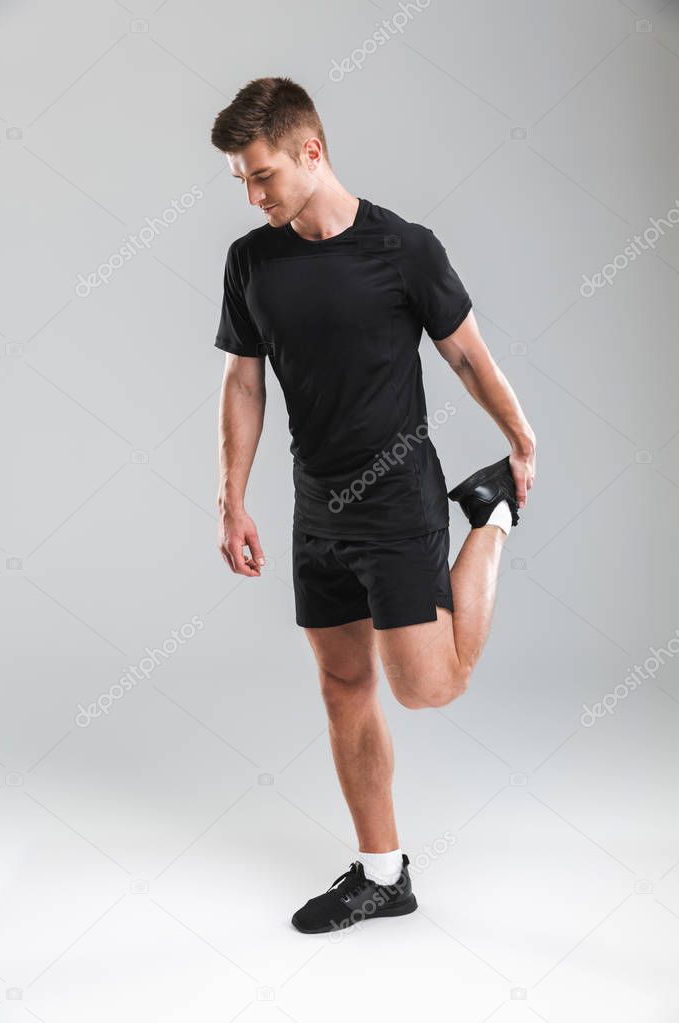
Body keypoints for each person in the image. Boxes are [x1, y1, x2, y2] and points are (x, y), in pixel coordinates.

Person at [211, 77, 536, 934]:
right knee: (343, 682)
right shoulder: (252, 260)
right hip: (315, 505)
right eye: (242, 181)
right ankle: (382, 875)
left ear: (311, 151)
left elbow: (466, 356)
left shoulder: (403, 249)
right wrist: (230, 499)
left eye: (263, 175)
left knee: (429, 686)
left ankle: (491, 516)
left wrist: (521, 440)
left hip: (397, 500)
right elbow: (244, 381)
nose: (252, 195)